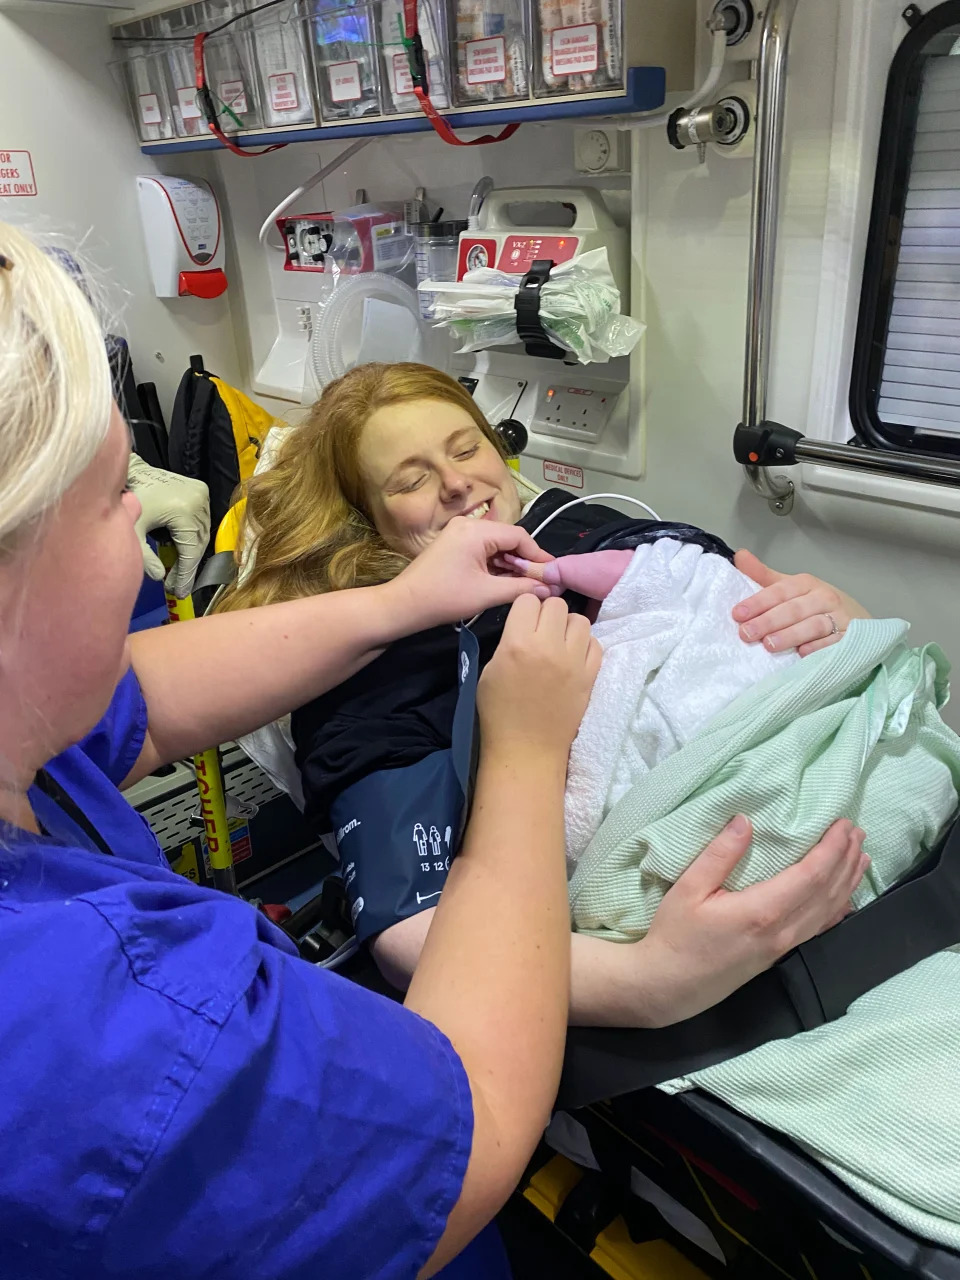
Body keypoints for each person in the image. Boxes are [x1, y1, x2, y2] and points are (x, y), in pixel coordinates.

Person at [0, 223, 720, 1280]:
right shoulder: (105, 1020)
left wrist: (785, 595)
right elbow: (462, 1101)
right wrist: (530, 763)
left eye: (469, 444)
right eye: (117, 495)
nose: (146, 535)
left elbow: (136, 700)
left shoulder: (592, 534)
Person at [216, 362, 868, 1027]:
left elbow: (735, 608)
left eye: (467, 447)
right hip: (677, 919)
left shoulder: (595, 526)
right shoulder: (380, 671)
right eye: (410, 480)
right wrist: (651, 980)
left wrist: (845, 621)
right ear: (365, 518)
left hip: (847, 809)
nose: (456, 482)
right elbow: (409, 933)